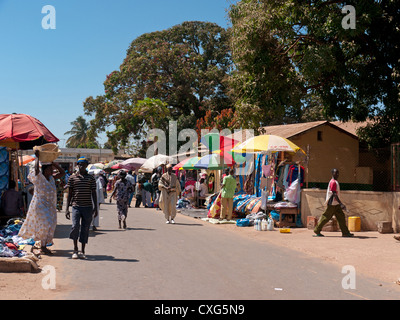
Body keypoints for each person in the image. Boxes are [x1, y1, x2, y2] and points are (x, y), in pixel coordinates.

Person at [18, 150, 65, 255]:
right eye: (49, 169)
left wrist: (53, 164)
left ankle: (42, 245)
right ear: (44, 170)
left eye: (51, 169)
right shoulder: (39, 178)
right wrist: (37, 158)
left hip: (50, 206)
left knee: (51, 225)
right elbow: (35, 170)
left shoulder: (52, 179)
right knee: (45, 224)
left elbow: (62, 173)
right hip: (40, 205)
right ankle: (42, 246)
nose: (51, 171)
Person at [65, 157, 98, 259]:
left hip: (87, 207)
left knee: (85, 229)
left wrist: (96, 208)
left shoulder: (91, 178)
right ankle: (75, 249)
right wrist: (66, 208)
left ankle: (82, 251)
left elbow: (93, 193)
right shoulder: (72, 178)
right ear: (77, 165)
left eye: (83, 164)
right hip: (76, 207)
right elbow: (69, 194)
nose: (81, 166)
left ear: (86, 166)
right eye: (79, 164)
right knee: (75, 227)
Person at [313, 169, 354, 237]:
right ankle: (317, 230)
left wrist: (339, 203)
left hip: (336, 203)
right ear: (332, 174)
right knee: (325, 217)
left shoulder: (335, 182)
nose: (337, 175)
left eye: (338, 173)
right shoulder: (333, 182)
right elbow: (334, 193)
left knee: (341, 217)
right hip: (332, 203)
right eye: (335, 173)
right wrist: (341, 203)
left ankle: (345, 232)